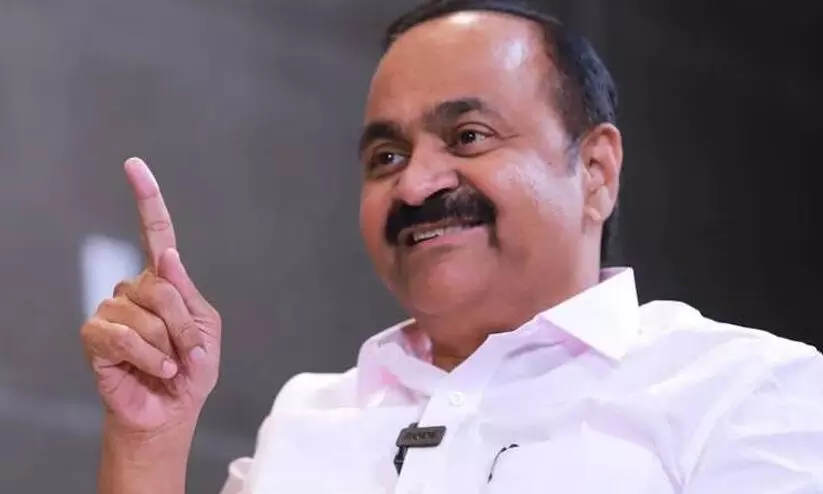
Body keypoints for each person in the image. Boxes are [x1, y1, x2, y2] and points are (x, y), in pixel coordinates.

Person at [79, 1, 823, 493]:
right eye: (386, 157)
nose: (414, 185)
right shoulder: (307, 418)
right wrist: (149, 443)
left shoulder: (744, 391)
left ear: (595, 170)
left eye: (468, 136)